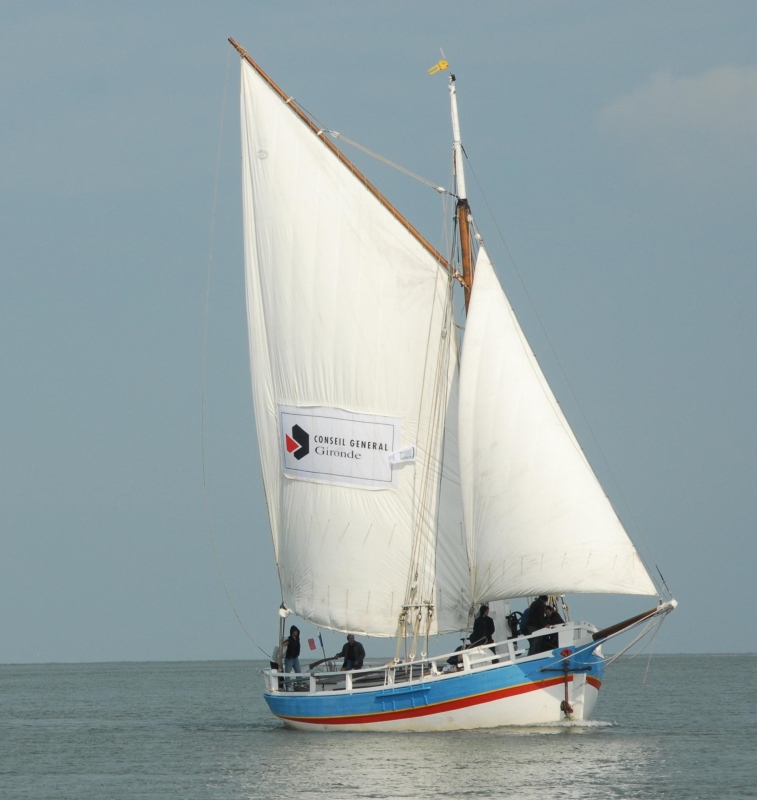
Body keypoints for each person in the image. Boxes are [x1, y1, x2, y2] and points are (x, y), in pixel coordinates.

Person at [282, 625, 301, 689]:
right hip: (289, 658)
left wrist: (298, 653)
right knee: (287, 673)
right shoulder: (289, 639)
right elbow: (285, 646)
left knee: (298, 671)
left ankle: (299, 684)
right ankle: (288, 686)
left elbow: (298, 647)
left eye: (297, 631)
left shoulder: (298, 639)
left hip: (295, 658)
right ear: (292, 632)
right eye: (295, 631)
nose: (297, 632)